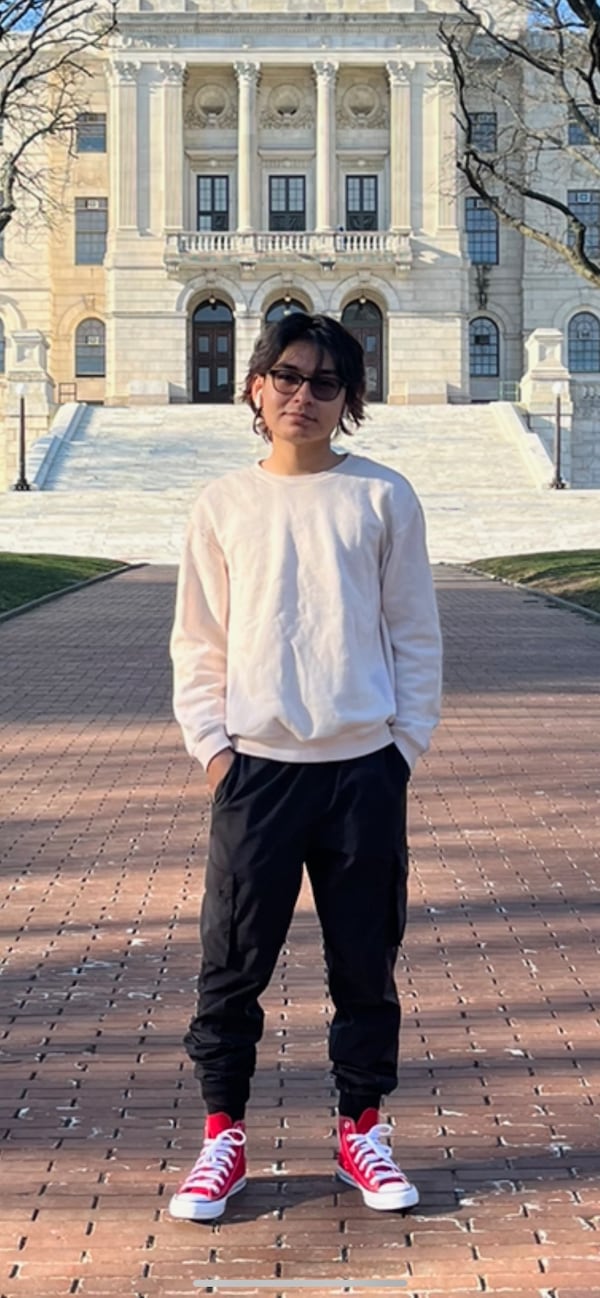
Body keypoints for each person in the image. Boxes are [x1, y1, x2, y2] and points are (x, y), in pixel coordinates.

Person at [169, 311, 442, 1222]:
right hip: (257, 771)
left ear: (348, 400)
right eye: (288, 375)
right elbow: (197, 643)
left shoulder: (383, 498)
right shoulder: (222, 504)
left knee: (365, 963)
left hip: (363, 768)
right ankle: (223, 1137)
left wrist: (401, 751)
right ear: (255, 386)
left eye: (326, 383)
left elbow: (414, 635)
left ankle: (361, 1127)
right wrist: (214, 751)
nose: (303, 395)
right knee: (231, 964)